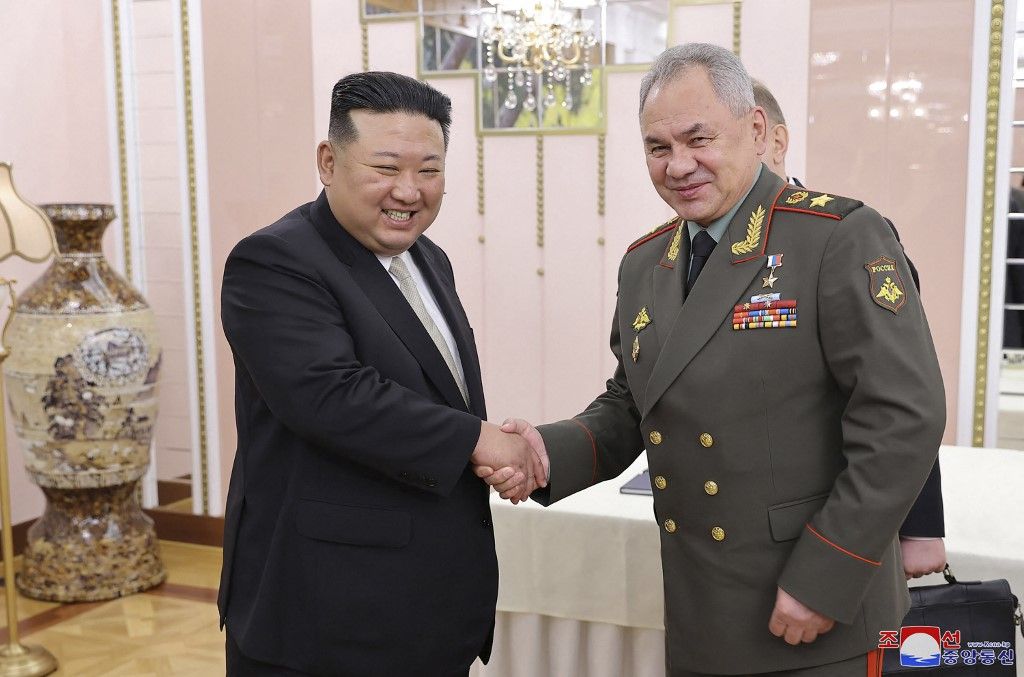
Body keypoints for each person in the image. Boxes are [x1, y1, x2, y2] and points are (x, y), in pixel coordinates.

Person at [480, 44, 946, 675]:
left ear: (756, 130)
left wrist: (826, 575)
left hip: (814, 610)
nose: (679, 166)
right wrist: (544, 453)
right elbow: (634, 402)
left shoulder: (835, 237)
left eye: (698, 139)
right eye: (657, 148)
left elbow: (903, 417)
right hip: (702, 606)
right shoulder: (647, 263)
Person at [217, 71, 545, 676]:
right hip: (325, 617)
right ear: (328, 161)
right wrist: (478, 440)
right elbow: (329, 395)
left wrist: (489, 444)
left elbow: (436, 393)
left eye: (429, 170)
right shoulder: (275, 260)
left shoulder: (428, 257)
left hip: (424, 608)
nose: (409, 191)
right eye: (385, 167)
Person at [751, 78, 947, 581]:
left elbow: (899, 386)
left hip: (837, 515)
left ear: (776, 140)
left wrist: (921, 527)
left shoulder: (844, 235)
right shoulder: (694, 252)